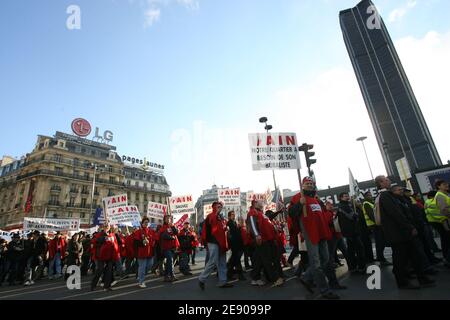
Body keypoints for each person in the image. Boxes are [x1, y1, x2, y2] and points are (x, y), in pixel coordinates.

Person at [375, 175, 435, 290]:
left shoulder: (387, 195)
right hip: (398, 233)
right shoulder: (385, 196)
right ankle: (402, 282)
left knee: (414, 255)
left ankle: (421, 277)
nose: (389, 181)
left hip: (402, 232)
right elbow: (395, 213)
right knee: (400, 259)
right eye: (386, 180)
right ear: (381, 183)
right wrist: (409, 227)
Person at [289, 177, 340, 300]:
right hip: (311, 234)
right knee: (316, 263)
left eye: (311, 183)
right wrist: (299, 204)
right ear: (302, 185)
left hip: (322, 233)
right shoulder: (297, 198)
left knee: (326, 259)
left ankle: (307, 277)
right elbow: (291, 213)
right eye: (307, 183)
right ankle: (324, 290)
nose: (310, 185)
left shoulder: (315, 198)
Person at [247, 200, 283, 287]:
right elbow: (252, 223)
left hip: (266, 239)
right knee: (266, 259)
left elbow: (269, 218)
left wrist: (278, 212)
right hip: (261, 240)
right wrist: (257, 235)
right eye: (261, 203)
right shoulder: (253, 212)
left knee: (258, 260)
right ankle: (275, 279)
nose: (263, 204)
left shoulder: (260, 213)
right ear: (256, 204)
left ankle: (255, 278)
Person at [199, 201, 233, 290]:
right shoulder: (211, 216)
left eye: (220, 206)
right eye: (218, 206)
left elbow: (221, 228)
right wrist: (217, 213)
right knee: (213, 261)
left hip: (221, 242)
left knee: (222, 262)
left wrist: (226, 228)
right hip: (213, 242)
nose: (220, 208)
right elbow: (212, 224)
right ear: (214, 207)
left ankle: (223, 281)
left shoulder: (221, 217)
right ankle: (202, 279)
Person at [337, 192, 366, 274]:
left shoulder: (347, 205)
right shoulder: (343, 206)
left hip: (351, 231)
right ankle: (361, 267)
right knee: (359, 249)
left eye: (347, 196)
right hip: (351, 232)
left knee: (351, 250)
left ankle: (353, 267)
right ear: (341, 198)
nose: (347, 197)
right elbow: (352, 216)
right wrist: (358, 211)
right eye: (345, 196)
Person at [321, 200, 347, 290]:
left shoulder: (330, 213)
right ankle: (309, 278)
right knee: (327, 260)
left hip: (334, 236)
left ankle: (333, 282)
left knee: (328, 260)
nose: (331, 206)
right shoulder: (325, 213)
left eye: (331, 204)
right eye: (329, 204)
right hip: (329, 238)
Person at [362, 191, 390, 265]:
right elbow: (372, 215)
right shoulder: (366, 204)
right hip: (375, 226)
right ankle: (381, 259)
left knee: (381, 242)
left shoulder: (371, 202)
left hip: (377, 225)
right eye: (368, 195)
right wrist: (378, 223)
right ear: (365, 197)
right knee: (379, 243)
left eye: (370, 195)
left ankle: (381, 258)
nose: (370, 196)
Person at [91, 225, 119, 291]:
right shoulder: (99, 234)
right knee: (99, 270)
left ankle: (107, 286)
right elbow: (94, 243)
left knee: (109, 271)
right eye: (105, 226)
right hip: (101, 256)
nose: (107, 227)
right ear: (103, 227)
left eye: (108, 226)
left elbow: (116, 244)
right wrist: (104, 238)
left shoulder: (112, 234)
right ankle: (93, 285)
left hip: (109, 256)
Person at [430, 180, 450, 267]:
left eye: (446, 184)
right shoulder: (440, 196)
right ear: (438, 186)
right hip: (447, 221)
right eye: (444, 184)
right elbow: (444, 210)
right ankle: (447, 260)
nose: (446, 185)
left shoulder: (444, 195)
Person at [134, 217, 156, 288]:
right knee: (142, 268)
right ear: (142, 223)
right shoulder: (138, 231)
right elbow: (135, 243)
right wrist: (142, 242)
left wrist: (153, 243)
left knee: (150, 265)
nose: (146, 224)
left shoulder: (151, 231)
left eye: (147, 222)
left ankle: (140, 275)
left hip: (150, 252)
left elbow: (154, 240)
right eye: (145, 222)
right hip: (141, 253)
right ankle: (141, 282)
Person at [159, 215, 179, 282]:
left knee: (169, 262)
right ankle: (172, 275)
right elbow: (163, 236)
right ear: (164, 220)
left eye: (170, 219)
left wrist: (173, 226)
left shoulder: (172, 226)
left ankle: (166, 276)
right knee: (170, 260)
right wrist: (171, 237)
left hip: (172, 247)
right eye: (167, 219)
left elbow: (176, 233)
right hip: (166, 247)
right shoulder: (163, 227)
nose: (168, 220)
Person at [226, 211, 246, 281]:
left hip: (237, 243)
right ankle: (239, 275)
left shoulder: (234, 222)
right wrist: (238, 227)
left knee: (234, 260)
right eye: (232, 215)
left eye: (234, 214)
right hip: (234, 244)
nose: (233, 216)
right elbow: (232, 233)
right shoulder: (229, 223)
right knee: (236, 260)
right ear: (229, 216)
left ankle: (229, 273)